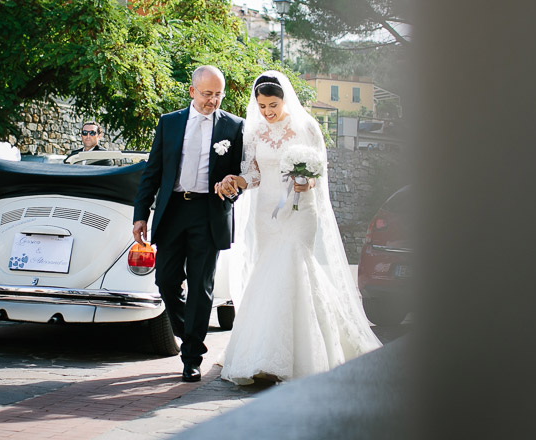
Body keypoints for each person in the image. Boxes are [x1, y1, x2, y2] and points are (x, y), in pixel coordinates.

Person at [214, 71, 381, 385]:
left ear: (284, 99)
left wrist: (309, 182)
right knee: (269, 277)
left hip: (301, 211)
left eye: (273, 105)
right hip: (266, 213)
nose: (267, 112)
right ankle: (262, 355)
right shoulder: (253, 133)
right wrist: (236, 180)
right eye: (262, 106)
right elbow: (254, 176)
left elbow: (320, 169)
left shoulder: (306, 127)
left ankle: (300, 355)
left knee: (294, 270)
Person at [132, 65, 245, 382]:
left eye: (218, 94)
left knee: (201, 287)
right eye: (207, 94)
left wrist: (230, 189)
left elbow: (241, 175)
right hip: (173, 212)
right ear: (192, 91)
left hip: (210, 212)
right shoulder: (169, 123)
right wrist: (140, 213)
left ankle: (191, 356)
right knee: (165, 282)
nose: (213, 100)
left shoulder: (235, 127)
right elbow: (152, 172)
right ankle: (188, 332)